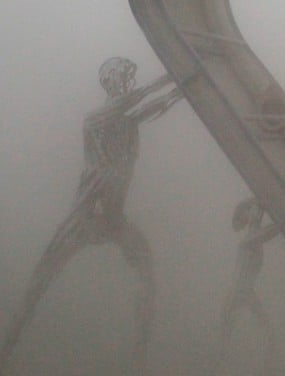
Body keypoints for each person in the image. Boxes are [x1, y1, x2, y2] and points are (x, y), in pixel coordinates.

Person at [0, 58, 182, 375]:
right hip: (83, 220)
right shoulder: (95, 118)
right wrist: (175, 72)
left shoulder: (125, 122)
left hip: (113, 219)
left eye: (129, 77)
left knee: (146, 273)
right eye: (121, 76)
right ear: (108, 81)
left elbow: (152, 106)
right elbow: (138, 100)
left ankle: (140, 359)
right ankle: (6, 349)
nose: (127, 81)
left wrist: (182, 88)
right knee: (37, 285)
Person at [214, 197, 280, 376]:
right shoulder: (248, 242)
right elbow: (268, 231)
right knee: (230, 327)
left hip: (243, 290)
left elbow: (265, 231)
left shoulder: (249, 241)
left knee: (228, 327)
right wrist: (284, 222)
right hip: (242, 290)